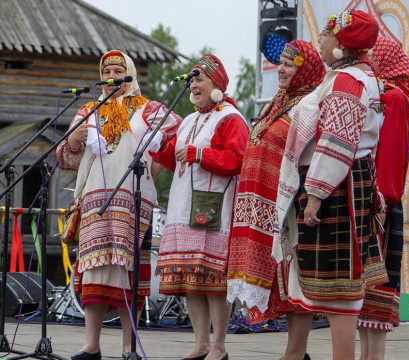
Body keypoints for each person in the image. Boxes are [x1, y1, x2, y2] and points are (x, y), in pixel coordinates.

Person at [272, 9, 387, 360]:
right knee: (336, 285)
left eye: (325, 33)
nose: (319, 39)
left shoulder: (347, 81)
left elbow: (337, 141)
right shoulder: (350, 77)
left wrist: (316, 194)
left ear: (340, 44)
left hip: (338, 187)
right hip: (343, 182)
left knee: (341, 287)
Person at [56, 50, 180, 360]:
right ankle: (91, 344)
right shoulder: (89, 109)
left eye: (118, 70)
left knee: (130, 273)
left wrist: (154, 166)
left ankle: (129, 347)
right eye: (107, 70)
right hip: (95, 201)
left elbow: (176, 134)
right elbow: (65, 157)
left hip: (133, 202)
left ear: (130, 74)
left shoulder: (147, 108)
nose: (112, 76)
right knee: (95, 271)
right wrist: (74, 140)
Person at [149, 54, 249, 360]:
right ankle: (201, 343)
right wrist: (160, 149)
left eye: (199, 79)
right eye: (191, 80)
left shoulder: (230, 118)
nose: (193, 84)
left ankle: (218, 345)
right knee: (192, 280)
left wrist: (200, 155)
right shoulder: (190, 120)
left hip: (213, 206)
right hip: (183, 207)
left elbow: (239, 159)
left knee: (212, 281)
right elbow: (176, 161)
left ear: (216, 83)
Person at [226, 40, 326, 327]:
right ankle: (294, 351)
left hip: (287, 205)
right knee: (281, 281)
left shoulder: (309, 106)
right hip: (262, 206)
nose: (280, 69)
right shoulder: (279, 102)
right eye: (279, 63)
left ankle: (295, 352)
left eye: (288, 64)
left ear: (305, 69)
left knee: (292, 278)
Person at [356, 35, 409, 360]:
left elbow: (392, 160)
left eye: (370, 56)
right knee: (364, 301)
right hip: (370, 202)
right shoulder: (381, 96)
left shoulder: (393, 99)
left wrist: (378, 198)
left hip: (380, 206)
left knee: (377, 298)